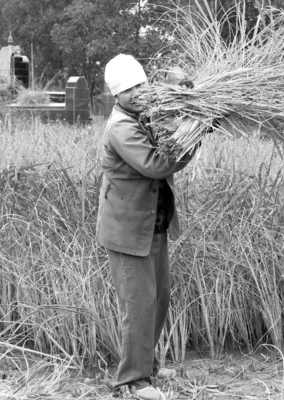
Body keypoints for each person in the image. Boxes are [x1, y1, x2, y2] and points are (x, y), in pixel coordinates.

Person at [97, 54, 194, 400]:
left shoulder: (142, 117)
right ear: (115, 94)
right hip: (127, 231)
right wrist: (194, 134)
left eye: (141, 84)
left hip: (151, 225)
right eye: (129, 88)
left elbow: (166, 133)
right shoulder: (122, 127)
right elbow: (155, 164)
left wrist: (193, 113)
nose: (138, 92)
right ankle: (132, 381)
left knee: (158, 298)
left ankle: (148, 366)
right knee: (138, 305)